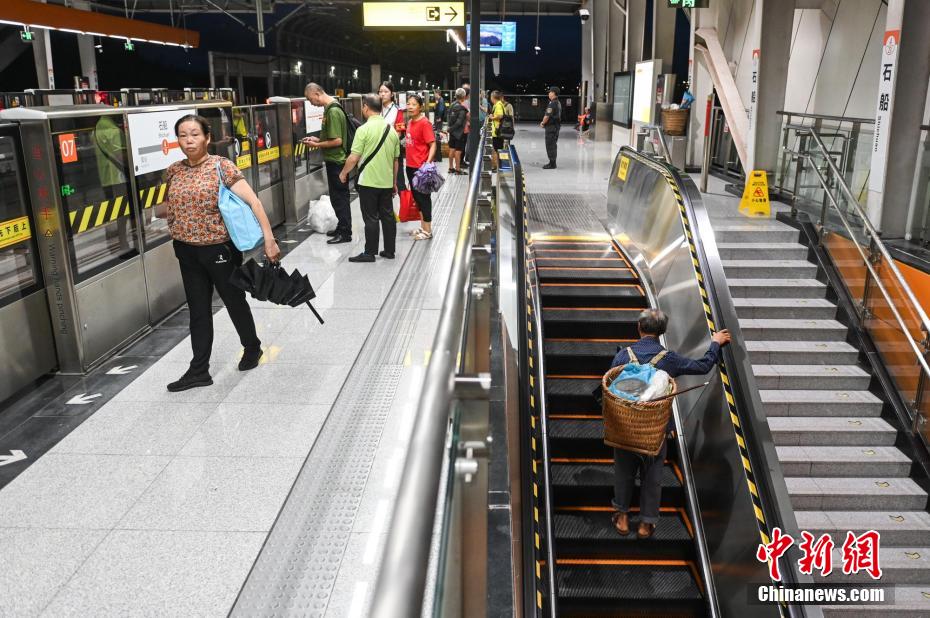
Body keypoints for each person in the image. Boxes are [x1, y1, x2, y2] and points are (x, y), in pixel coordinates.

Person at [160, 115, 281, 392]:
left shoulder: (221, 167)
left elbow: (254, 202)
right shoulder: (174, 171)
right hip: (186, 251)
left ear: (207, 138)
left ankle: (252, 347)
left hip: (218, 249)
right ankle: (198, 370)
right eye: (182, 135)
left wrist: (269, 240)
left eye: (194, 134)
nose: (188, 141)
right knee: (198, 310)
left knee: (233, 300)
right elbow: (166, 206)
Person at [609, 309, 731, 539]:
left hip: (626, 428)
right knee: (653, 476)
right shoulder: (669, 359)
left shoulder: (622, 356)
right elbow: (703, 366)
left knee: (623, 473)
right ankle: (646, 524)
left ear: (639, 327)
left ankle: (623, 517)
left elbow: (611, 384)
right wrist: (715, 343)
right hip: (657, 430)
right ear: (663, 331)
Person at [339, 94, 400, 263]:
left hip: (368, 182)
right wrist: (394, 182)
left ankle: (369, 252)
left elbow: (353, 157)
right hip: (386, 182)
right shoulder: (392, 130)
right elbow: (396, 161)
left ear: (365, 107)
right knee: (388, 216)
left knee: (371, 217)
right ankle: (389, 250)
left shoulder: (363, 130)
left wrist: (343, 173)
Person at [303, 83, 352, 244]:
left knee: (340, 198)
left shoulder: (333, 111)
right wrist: (317, 139)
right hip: (333, 160)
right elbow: (331, 137)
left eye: (311, 99)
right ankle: (341, 227)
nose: (311, 103)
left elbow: (337, 141)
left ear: (317, 93)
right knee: (336, 197)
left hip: (337, 161)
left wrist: (317, 145)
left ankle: (345, 233)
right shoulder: (329, 109)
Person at [404, 93, 437, 241]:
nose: (410, 107)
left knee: (424, 199)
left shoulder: (424, 123)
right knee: (417, 199)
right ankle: (423, 227)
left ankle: (428, 230)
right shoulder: (410, 122)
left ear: (420, 107)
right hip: (410, 166)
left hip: (421, 168)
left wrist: (427, 164)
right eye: (408, 104)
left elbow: (433, 144)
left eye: (413, 104)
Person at [447, 88, 468, 175]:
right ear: (463, 97)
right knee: (458, 151)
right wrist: (451, 129)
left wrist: (449, 128)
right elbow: (459, 122)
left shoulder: (452, 105)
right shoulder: (462, 108)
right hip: (459, 133)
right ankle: (458, 169)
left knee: (452, 149)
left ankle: (451, 168)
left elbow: (448, 117)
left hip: (452, 132)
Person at [540, 86, 562, 169]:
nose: (549, 93)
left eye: (550, 92)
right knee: (553, 144)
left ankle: (552, 164)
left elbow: (547, 116)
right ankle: (553, 162)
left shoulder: (552, 103)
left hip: (551, 128)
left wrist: (543, 123)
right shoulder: (558, 102)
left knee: (550, 145)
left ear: (553, 93)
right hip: (556, 127)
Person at [489, 90, 507, 171]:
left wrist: (492, 117)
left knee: (496, 149)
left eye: (491, 97)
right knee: (498, 149)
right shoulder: (498, 104)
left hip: (497, 131)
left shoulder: (498, 105)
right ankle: (498, 165)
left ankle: (496, 166)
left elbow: (500, 115)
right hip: (497, 131)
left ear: (493, 97)